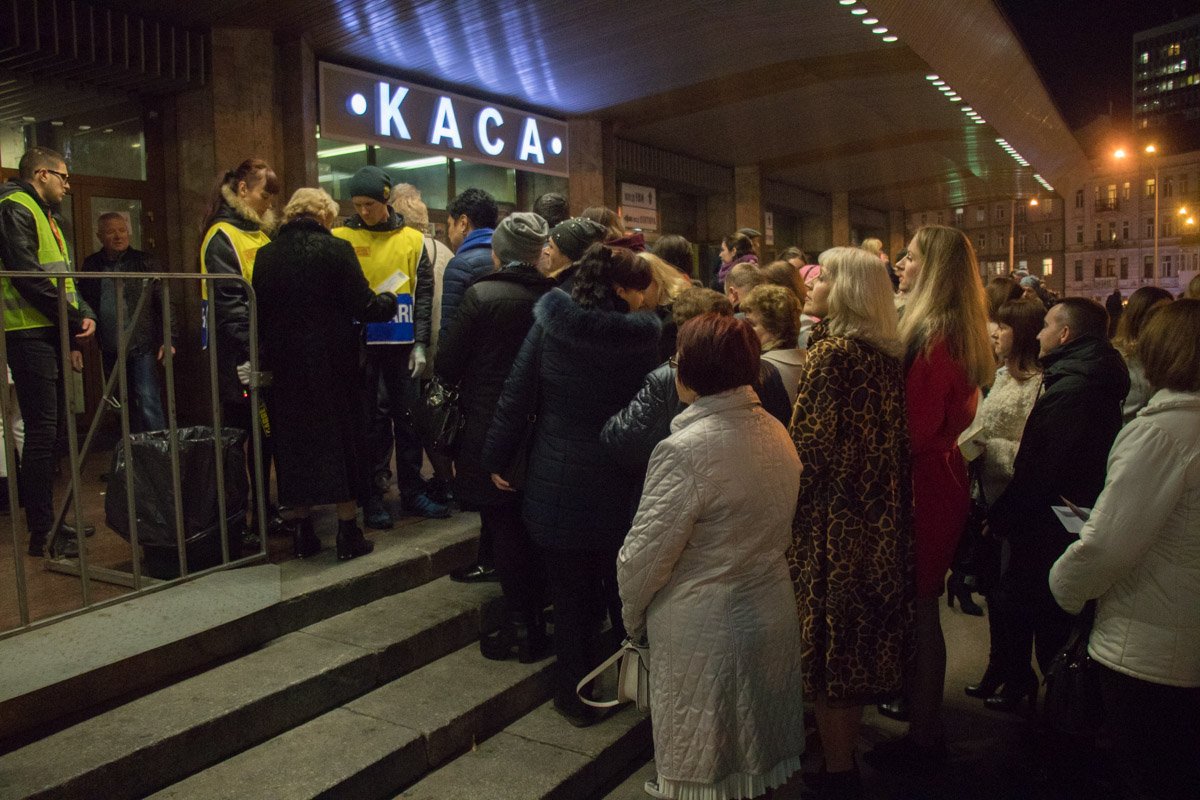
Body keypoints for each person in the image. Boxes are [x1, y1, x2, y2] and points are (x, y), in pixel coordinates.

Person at [618, 313, 805, 800]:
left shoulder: (683, 450)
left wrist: (632, 618)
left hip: (702, 628)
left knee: (705, 765)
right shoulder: (775, 430)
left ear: (693, 370)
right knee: (757, 760)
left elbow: (643, 558)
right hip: (770, 613)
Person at [481, 243, 661, 727]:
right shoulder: (645, 340)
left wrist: (496, 458)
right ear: (620, 290)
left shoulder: (551, 325)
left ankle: (574, 696)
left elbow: (517, 394)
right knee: (623, 591)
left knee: (570, 595)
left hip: (557, 479)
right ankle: (636, 686)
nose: (645, 299)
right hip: (622, 482)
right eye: (640, 290)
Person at [1049, 299, 1200, 800]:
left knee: (1148, 774)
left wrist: (1064, 587)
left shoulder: (1161, 433)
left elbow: (1108, 547)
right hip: (1181, 634)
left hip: (1150, 646)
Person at [867, 225, 993, 769]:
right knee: (921, 608)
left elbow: (912, 430)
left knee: (920, 611)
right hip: (939, 477)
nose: (900, 264)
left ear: (934, 270)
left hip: (922, 484)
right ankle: (923, 725)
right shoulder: (957, 330)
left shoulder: (936, 336)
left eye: (912, 258)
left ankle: (923, 736)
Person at [789, 247, 912, 798]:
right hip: (877, 519)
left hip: (832, 522)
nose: (811, 283)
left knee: (830, 644)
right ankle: (843, 762)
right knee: (855, 643)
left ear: (845, 291)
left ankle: (839, 771)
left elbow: (809, 449)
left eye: (823, 277)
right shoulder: (884, 354)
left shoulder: (831, 353)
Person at [984, 298, 1128, 713]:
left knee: (1048, 619)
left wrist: (1005, 515)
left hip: (1051, 521)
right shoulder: (1079, 375)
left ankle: (1062, 720)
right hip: (1057, 516)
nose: (1039, 333)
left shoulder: (1075, 388)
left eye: (1046, 325)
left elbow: (1044, 465)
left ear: (1065, 334)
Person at [437, 212, 556, 659]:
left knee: (503, 526)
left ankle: (522, 626)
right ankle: (538, 618)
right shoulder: (557, 298)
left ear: (497, 253)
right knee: (533, 525)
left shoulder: (481, 295)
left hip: (489, 426)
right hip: (542, 426)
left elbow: (448, 362)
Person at [252, 188, 395, 561]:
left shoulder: (266, 255)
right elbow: (364, 306)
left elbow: (260, 313)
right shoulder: (337, 250)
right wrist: (389, 301)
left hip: (285, 368)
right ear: (324, 216)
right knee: (342, 442)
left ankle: (302, 533)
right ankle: (348, 532)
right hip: (334, 366)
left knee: (293, 446)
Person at [333, 166, 446, 528]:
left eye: (369, 204)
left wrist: (421, 344)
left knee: (409, 421)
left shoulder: (412, 240)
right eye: (357, 205)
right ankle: (371, 498)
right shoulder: (342, 237)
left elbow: (423, 295)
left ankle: (412, 491)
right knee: (370, 425)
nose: (363, 211)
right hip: (362, 347)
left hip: (401, 345)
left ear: (385, 199)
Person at [0, 146, 97, 557]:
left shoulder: (44, 214)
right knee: (41, 432)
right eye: (63, 177)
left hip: (46, 329)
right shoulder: (15, 207)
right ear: (42, 174)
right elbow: (28, 277)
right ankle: (42, 533)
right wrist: (73, 320)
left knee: (49, 431)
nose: (68, 185)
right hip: (27, 331)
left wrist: (81, 313)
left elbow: (62, 279)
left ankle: (52, 524)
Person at [601, 287, 791, 484]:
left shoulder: (669, 377)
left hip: (683, 482)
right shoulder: (764, 370)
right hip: (755, 482)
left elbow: (624, 443)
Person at [956, 299, 1044, 700]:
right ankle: (998, 666)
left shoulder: (1037, 384)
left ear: (1022, 335)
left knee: (1013, 594)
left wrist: (988, 448)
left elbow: (1031, 450)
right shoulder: (1002, 375)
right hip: (988, 495)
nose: (995, 334)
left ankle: (1018, 675)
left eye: (1004, 328)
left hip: (1014, 500)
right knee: (993, 588)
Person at [199, 157, 282, 549]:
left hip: (259, 354)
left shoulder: (260, 234)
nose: (270, 203)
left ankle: (264, 512)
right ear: (243, 189)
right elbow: (230, 305)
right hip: (236, 360)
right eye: (266, 194)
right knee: (237, 441)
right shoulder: (222, 235)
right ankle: (236, 523)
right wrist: (249, 354)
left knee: (264, 440)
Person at [80, 212, 177, 433]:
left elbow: (165, 301)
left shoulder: (145, 261)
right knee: (120, 404)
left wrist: (169, 338)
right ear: (99, 236)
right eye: (111, 232)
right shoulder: (92, 265)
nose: (118, 236)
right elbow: (83, 301)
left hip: (141, 344)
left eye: (122, 230)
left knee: (148, 398)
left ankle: (160, 449)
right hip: (109, 346)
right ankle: (132, 447)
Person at [390, 183, 454, 505]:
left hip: (410, 352)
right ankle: (446, 480)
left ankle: (417, 485)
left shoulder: (403, 250)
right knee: (439, 421)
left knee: (414, 422)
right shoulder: (445, 252)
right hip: (443, 351)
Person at [441, 188, 499, 338]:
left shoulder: (459, 265)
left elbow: (450, 330)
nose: (449, 233)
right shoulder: (508, 258)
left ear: (463, 223)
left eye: (449, 225)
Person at [1111, 285, 1172, 424]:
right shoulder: (1119, 359)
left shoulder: (1168, 355)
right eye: (1157, 313)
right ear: (1137, 318)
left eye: (1170, 313)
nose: (1166, 319)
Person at [741, 284, 805, 404]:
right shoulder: (810, 360)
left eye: (751, 324)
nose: (744, 329)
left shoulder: (760, 371)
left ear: (775, 329)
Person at [542, 216, 606, 291]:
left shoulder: (561, 294)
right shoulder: (587, 285)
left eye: (551, 246)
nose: (545, 250)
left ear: (568, 256)